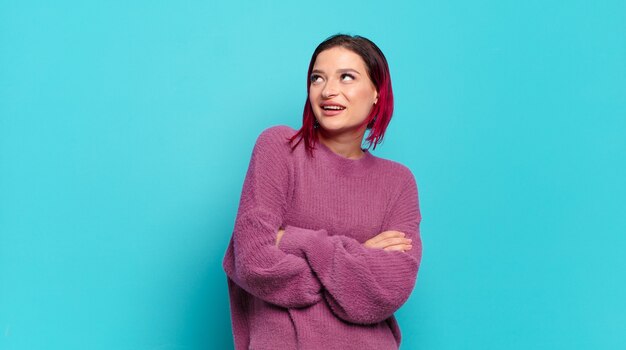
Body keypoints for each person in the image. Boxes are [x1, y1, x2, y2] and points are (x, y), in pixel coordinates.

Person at [222, 34, 422, 350]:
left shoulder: (398, 182)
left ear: (376, 93)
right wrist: (358, 257)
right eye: (318, 78)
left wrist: (291, 239)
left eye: (346, 77)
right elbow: (253, 262)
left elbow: (390, 289)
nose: (328, 90)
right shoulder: (279, 148)